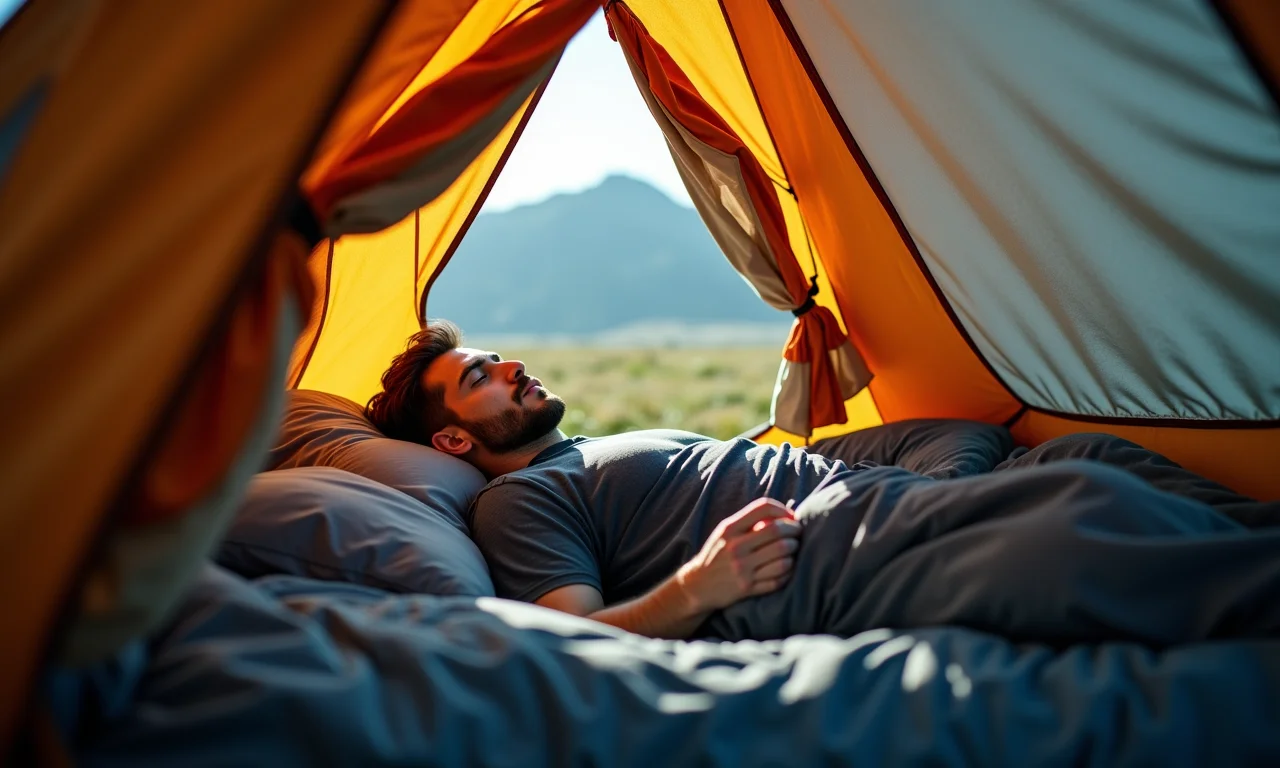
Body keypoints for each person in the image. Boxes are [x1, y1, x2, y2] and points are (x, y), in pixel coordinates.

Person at [366, 320, 1280, 646]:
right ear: (450, 437)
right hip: (820, 549)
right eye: (480, 376)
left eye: (497, 356)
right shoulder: (515, 500)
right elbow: (561, 632)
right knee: (1085, 514)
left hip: (876, 496)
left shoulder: (582, 456)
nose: (512, 365)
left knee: (1096, 459)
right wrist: (699, 586)